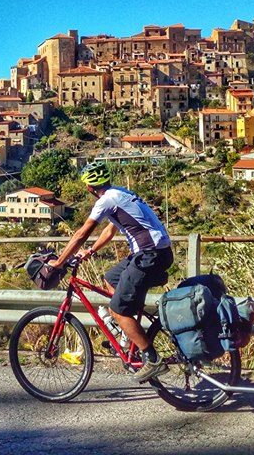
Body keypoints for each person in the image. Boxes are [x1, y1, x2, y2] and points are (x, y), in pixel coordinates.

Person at [50, 161, 174, 382]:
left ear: (89, 188)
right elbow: (111, 228)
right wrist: (91, 251)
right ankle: (128, 335)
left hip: (149, 255)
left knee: (118, 310)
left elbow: (81, 233)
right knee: (111, 278)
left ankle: (153, 359)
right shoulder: (120, 194)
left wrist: (59, 262)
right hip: (155, 252)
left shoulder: (105, 201)